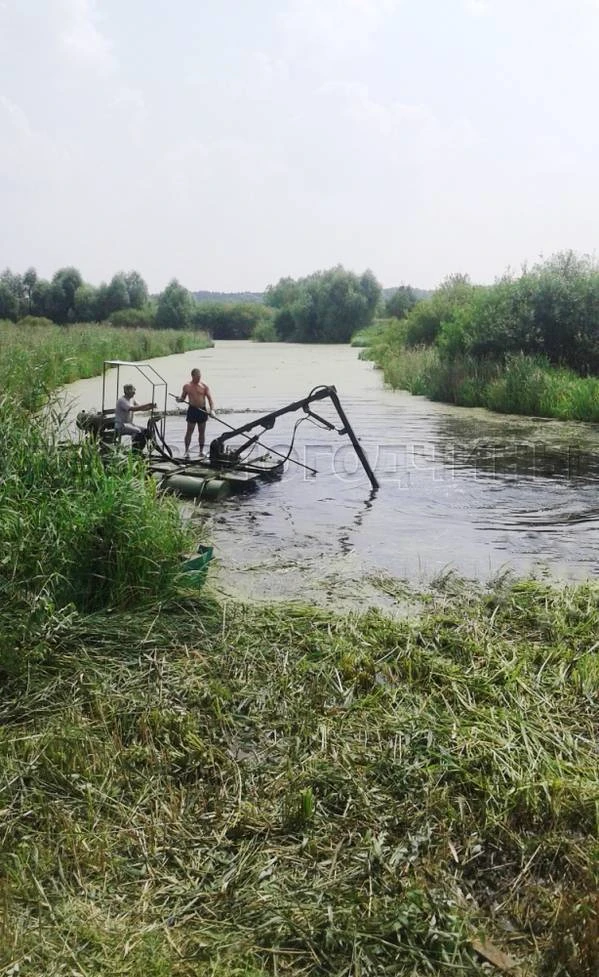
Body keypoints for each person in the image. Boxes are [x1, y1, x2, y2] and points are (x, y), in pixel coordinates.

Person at [176, 368, 215, 458]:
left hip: (202, 410)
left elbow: (210, 400)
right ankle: (186, 451)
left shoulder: (204, 386)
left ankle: (201, 452)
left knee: (202, 432)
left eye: (200, 376)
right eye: (197, 377)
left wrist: (212, 410)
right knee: (189, 431)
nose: (199, 378)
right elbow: (183, 398)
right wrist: (179, 400)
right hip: (192, 410)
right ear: (192, 376)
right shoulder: (187, 386)